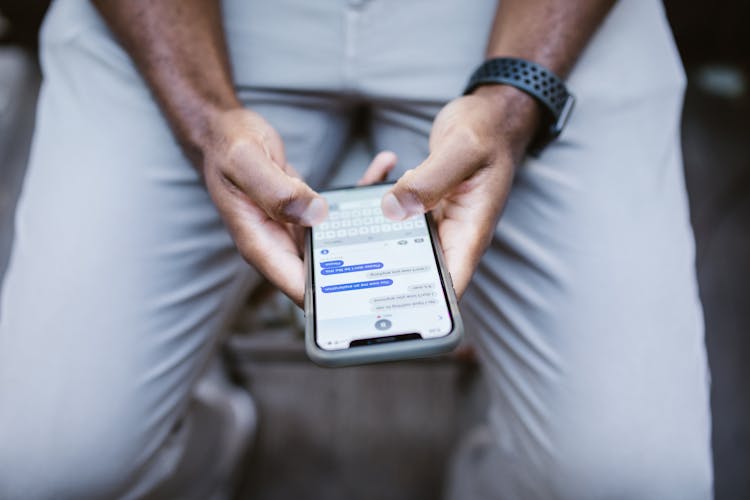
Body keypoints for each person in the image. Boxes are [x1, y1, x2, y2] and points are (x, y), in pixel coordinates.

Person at [0, 0, 713, 498]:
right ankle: (201, 408)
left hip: (518, 22)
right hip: (197, 22)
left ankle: (505, 432)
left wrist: (512, 103)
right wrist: (204, 119)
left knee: (638, 481)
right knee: (46, 470)